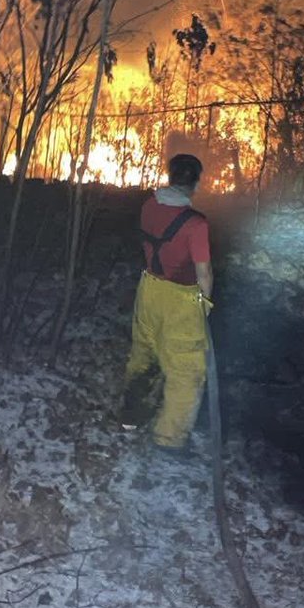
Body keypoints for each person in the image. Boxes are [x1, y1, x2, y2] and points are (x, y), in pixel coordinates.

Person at [121, 153, 213, 453]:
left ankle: (130, 417)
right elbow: (204, 272)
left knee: (144, 354)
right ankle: (169, 439)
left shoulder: (149, 205)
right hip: (180, 298)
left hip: (148, 288)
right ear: (196, 182)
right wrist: (205, 302)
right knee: (186, 369)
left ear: (171, 177)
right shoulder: (196, 224)